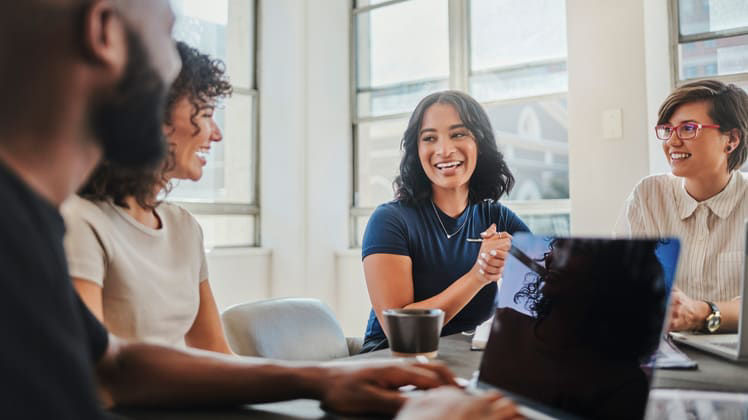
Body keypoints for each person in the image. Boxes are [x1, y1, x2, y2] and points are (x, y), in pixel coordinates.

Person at [0, 1, 461, 418]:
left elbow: (115, 361)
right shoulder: (51, 228)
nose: (216, 133)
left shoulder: (31, 222)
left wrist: (322, 378)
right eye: (167, 30)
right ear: (106, 33)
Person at [62, 41, 232, 353]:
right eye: (206, 113)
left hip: (184, 402)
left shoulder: (184, 227)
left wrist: (301, 386)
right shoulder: (80, 221)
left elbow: (216, 350)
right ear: (157, 117)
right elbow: (98, 368)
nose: (216, 133)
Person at [361, 90, 530, 353]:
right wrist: (480, 274)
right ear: (417, 151)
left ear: (480, 144)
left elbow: (553, 281)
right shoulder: (389, 221)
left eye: (458, 134)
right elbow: (401, 330)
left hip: (464, 358)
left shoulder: (496, 217)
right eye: (429, 138)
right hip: (394, 360)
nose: (444, 150)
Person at [481, 238, 667, 419]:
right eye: (560, 244)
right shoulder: (504, 324)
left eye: (579, 250)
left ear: (615, 278)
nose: (554, 256)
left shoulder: (623, 385)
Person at [621, 80, 748, 333]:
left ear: (732, 139)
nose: (672, 142)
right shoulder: (648, 196)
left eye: (689, 128)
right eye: (668, 130)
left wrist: (701, 312)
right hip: (663, 351)